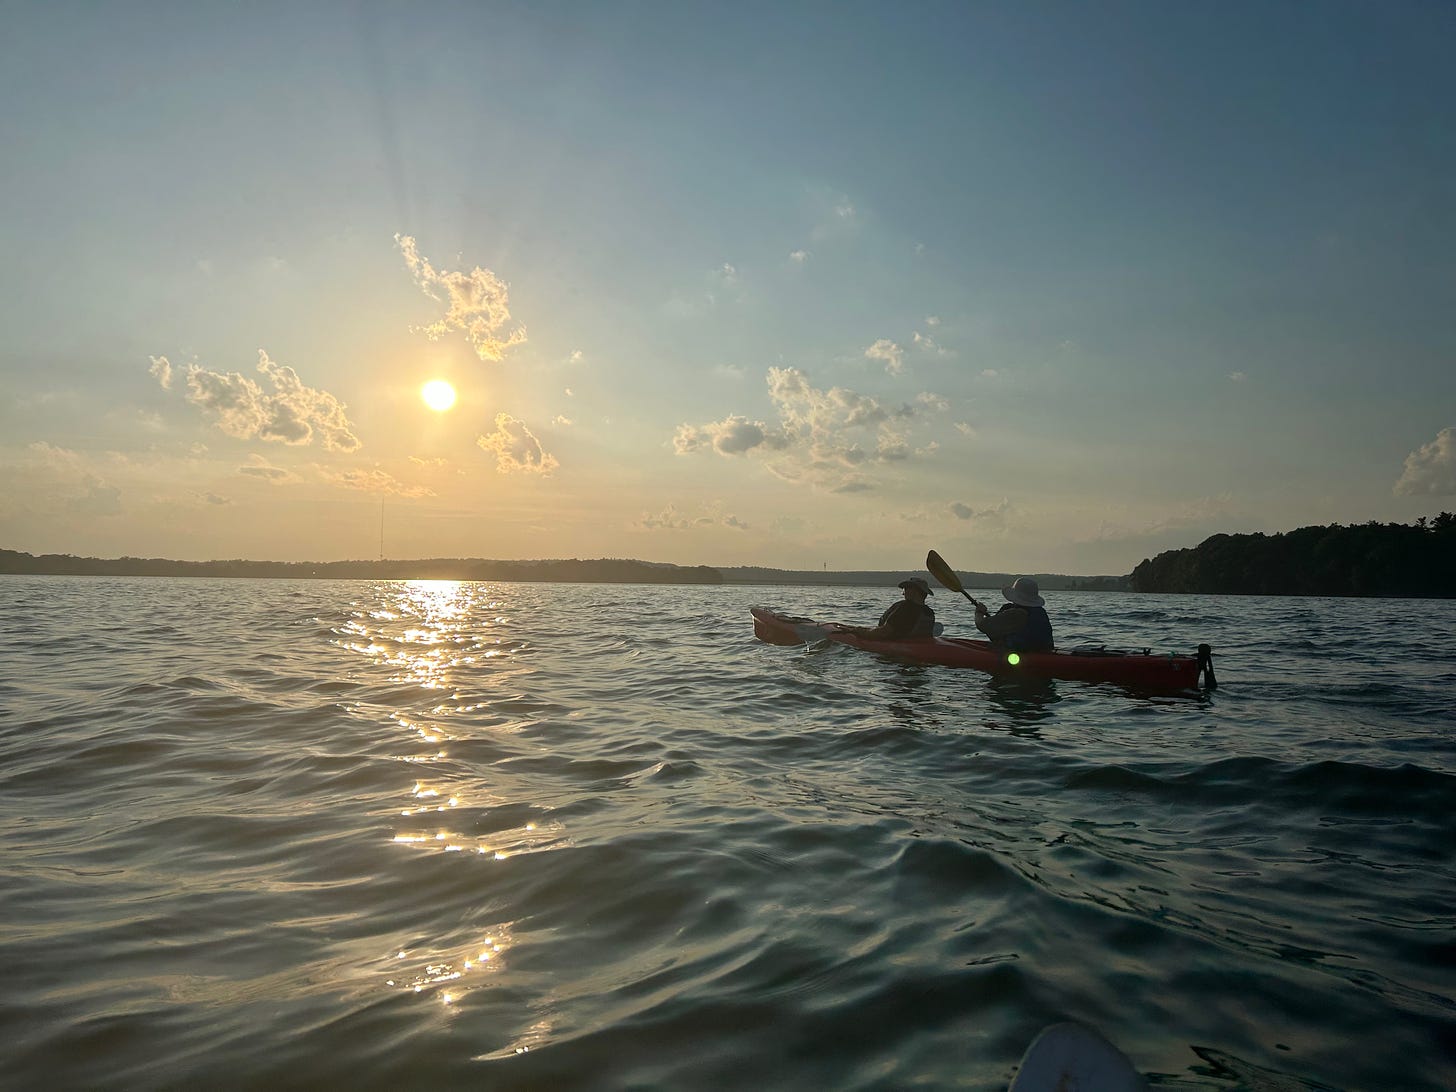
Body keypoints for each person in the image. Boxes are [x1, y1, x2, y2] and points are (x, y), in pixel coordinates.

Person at [837, 577, 937, 640]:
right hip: (918, 647)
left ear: (914, 591)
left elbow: (883, 632)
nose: (903, 592)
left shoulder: (905, 608)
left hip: (899, 651)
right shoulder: (928, 611)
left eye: (906, 589)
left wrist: (858, 632)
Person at [975, 577, 1054, 652]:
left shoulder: (1016, 613)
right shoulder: (1040, 612)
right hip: (1044, 651)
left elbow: (982, 625)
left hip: (1021, 653)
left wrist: (979, 613)